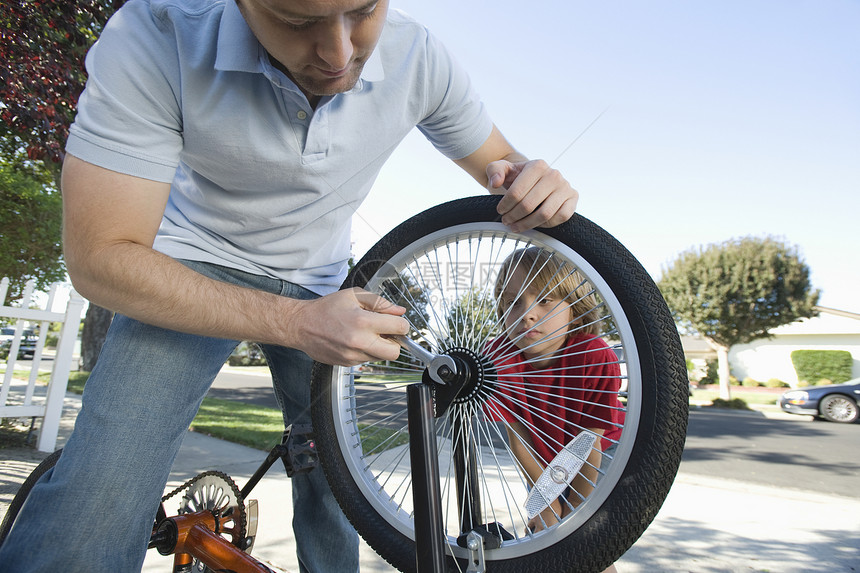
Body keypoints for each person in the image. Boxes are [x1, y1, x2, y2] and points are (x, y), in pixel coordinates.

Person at [0, 1, 579, 572]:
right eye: (299, 22)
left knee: (338, 492)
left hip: (324, 280)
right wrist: (294, 323)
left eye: (362, 11)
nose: (338, 53)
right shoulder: (156, 35)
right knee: (100, 496)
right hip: (189, 268)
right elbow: (100, 259)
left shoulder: (418, 56)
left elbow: (500, 162)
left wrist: (530, 181)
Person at [485, 247, 625, 569]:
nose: (527, 313)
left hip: (599, 455)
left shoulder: (593, 355)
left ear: (575, 308)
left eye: (544, 300)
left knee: (589, 547)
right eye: (512, 302)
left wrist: (575, 509)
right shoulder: (500, 360)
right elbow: (519, 437)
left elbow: (589, 442)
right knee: (547, 532)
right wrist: (545, 504)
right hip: (541, 454)